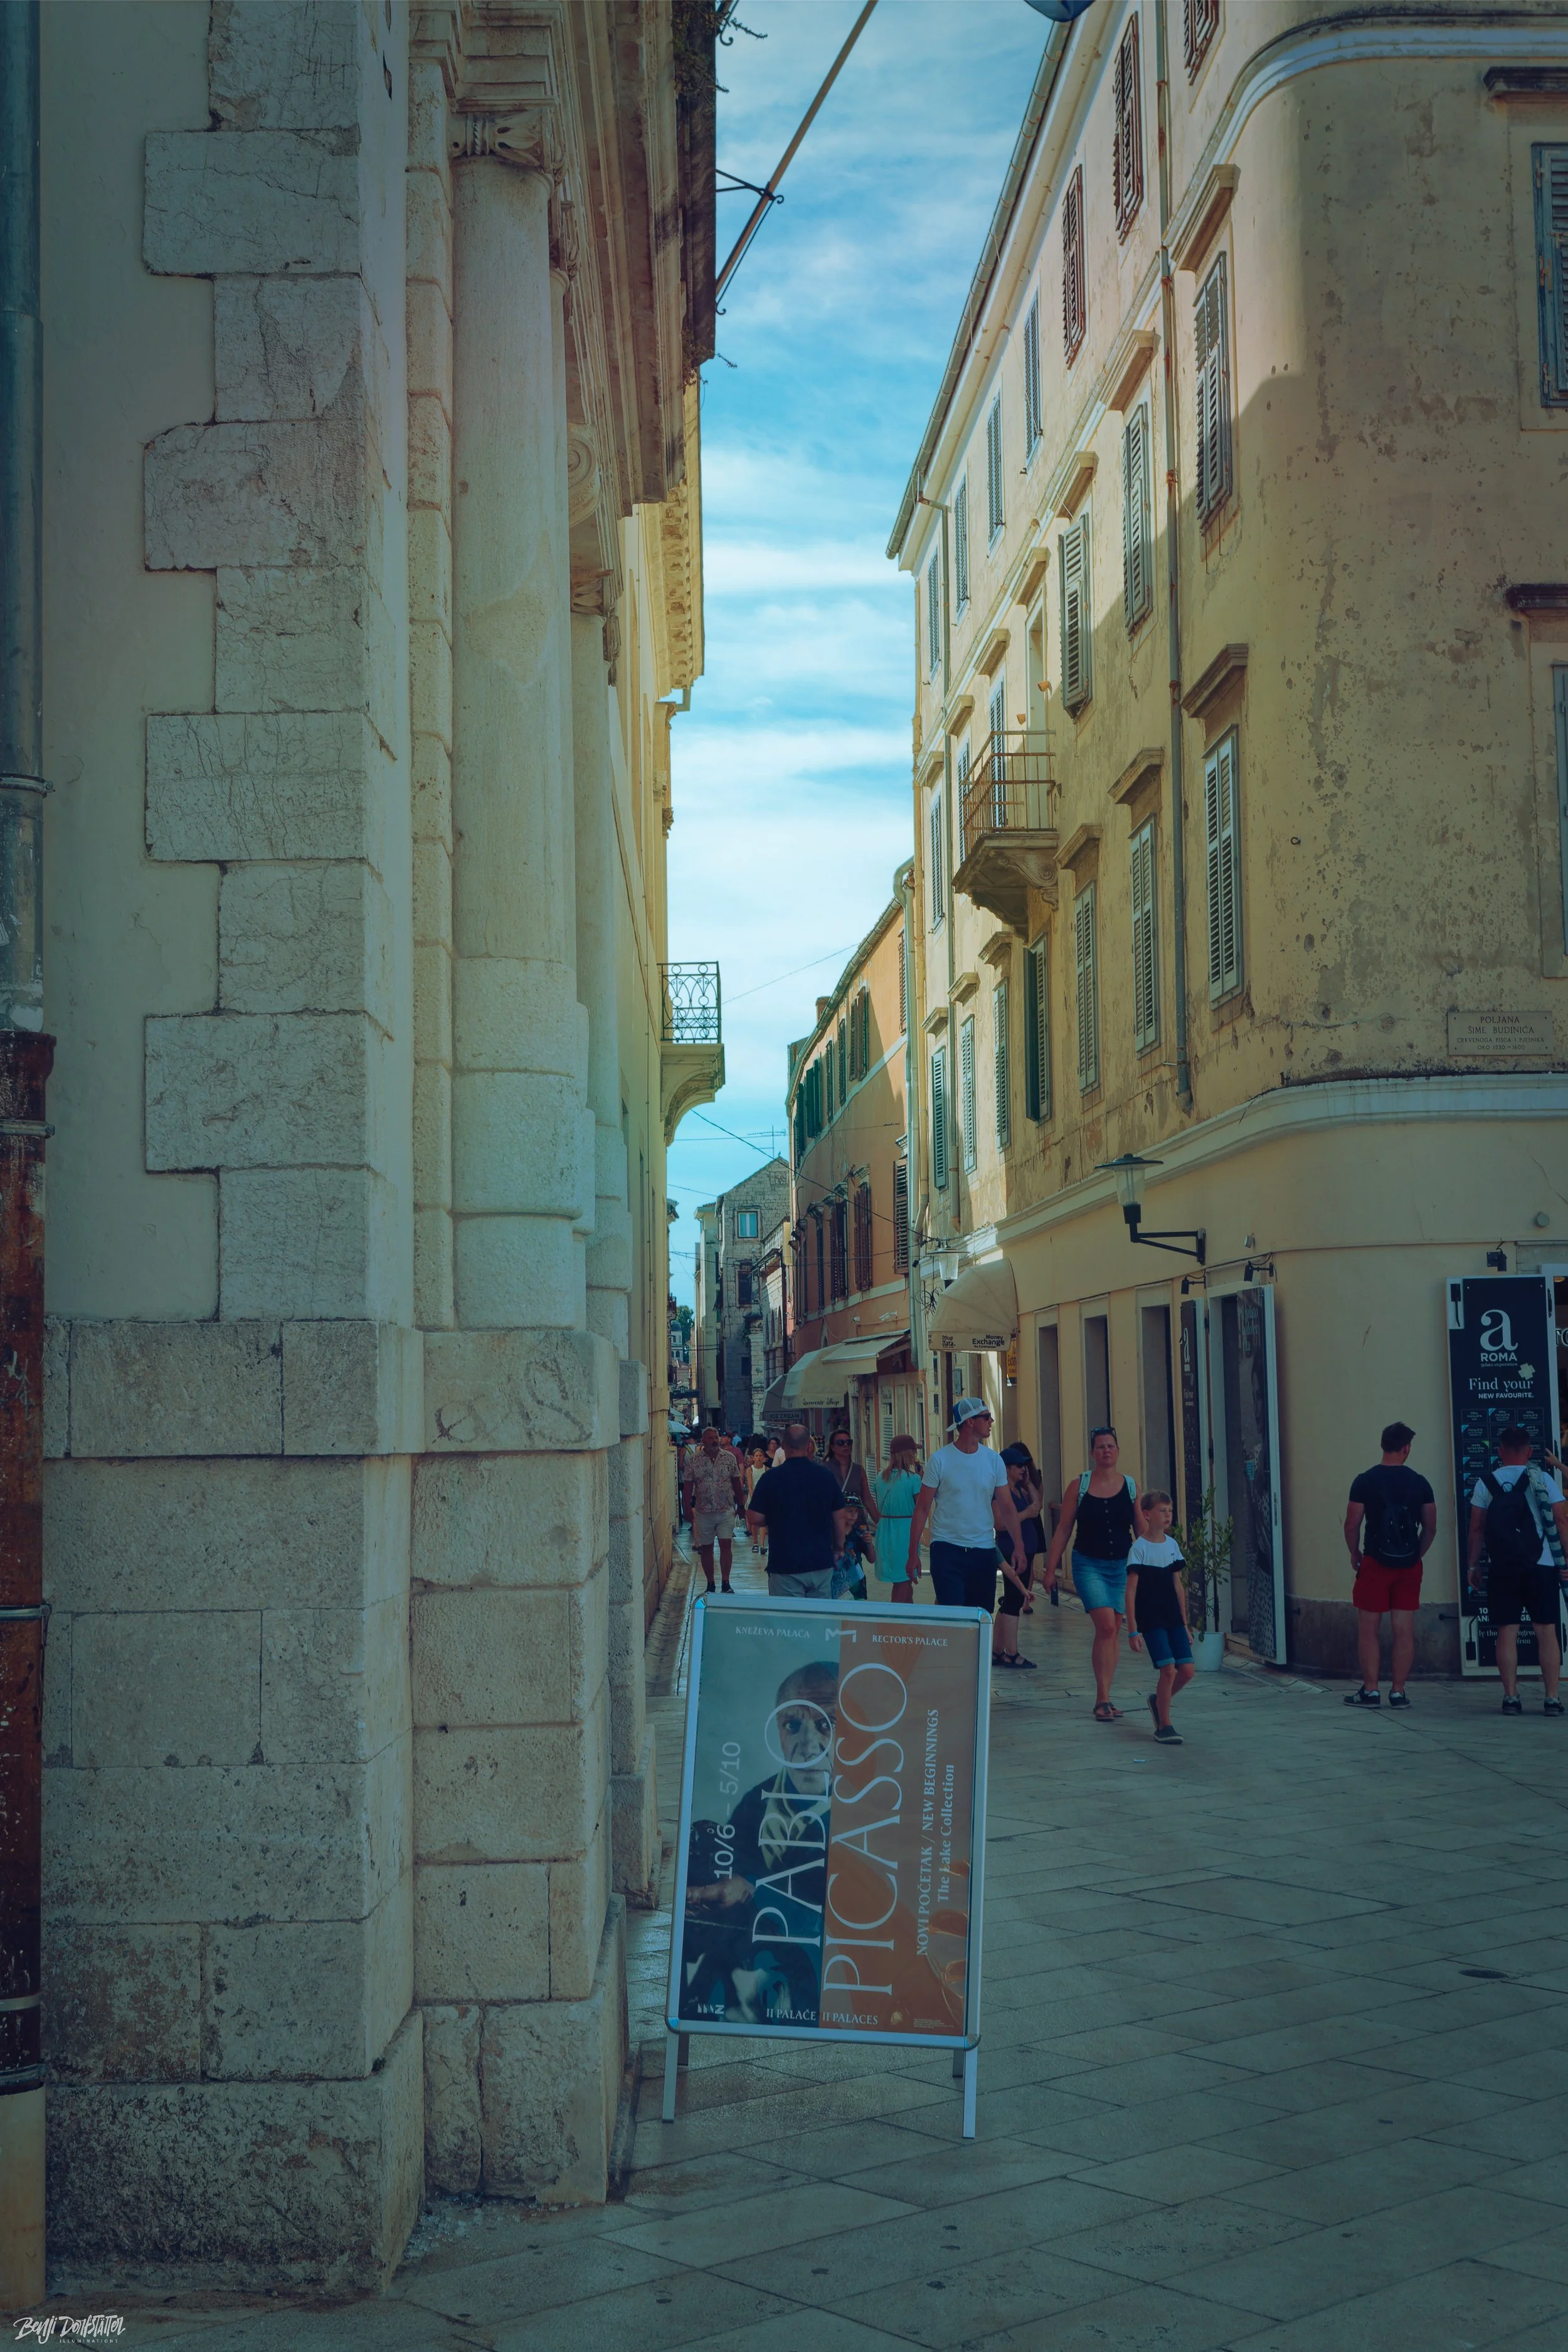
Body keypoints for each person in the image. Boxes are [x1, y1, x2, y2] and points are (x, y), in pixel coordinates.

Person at [679, 1658, 837, 2023]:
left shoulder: (870, 1809)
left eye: (827, 1724)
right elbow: (734, 1862)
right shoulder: (757, 1800)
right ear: (778, 1729)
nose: (808, 1745)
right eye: (793, 1725)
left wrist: (749, 1891)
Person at [903, 1399, 1029, 1651]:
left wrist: (1019, 1547)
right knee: (954, 1615)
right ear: (970, 1422)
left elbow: (1007, 1506)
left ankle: (975, 1678)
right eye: (987, 1417)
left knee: (981, 1617)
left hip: (983, 1551)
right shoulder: (940, 1460)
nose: (991, 1421)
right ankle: (954, 1671)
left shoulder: (993, 1461)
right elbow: (923, 1508)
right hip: (947, 1549)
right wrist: (913, 1552)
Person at [1042, 1426, 1145, 1722]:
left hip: (1122, 1567)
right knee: (1107, 1627)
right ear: (1092, 1453)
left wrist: (1153, 1564)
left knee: (1112, 1628)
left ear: (1118, 1450)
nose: (1106, 1451)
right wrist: (1050, 1568)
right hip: (1088, 1564)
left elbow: (1140, 1529)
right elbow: (1064, 1529)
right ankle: (1101, 1699)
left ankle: (1107, 1696)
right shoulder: (1080, 1486)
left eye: (1111, 1446)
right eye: (1100, 1447)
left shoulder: (1130, 1486)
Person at [1468, 1425, 1568, 1716]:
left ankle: (1511, 1697)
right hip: (1543, 1565)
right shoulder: (1544, 1479)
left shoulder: (1486, 1482)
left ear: (1499, 1452)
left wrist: (1473, 1565)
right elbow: (1561, 1523)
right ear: (1529, 1451)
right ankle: (1551, 1698)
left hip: (1502, 1566)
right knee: (1546, 1631)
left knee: (1507, 1631)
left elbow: (1477, 1528)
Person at [1342, 1419, 1438, 1707]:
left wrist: (1354, 1552)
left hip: (1374, 1561)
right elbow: (1432, 1526)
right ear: (1406, 1448)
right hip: (1409, 1565)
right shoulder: (1420, 1482)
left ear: (1383, 1445)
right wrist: (1417, 1554)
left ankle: (1371, 1691)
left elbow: (1351, 1524)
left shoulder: (1365, 1481)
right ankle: (1398, 1692)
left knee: (1369, 1629)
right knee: (1403, 1628)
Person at [746, 1424, 854, 1598]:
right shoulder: (825, 1476)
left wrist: (772, 1518)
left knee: (790, 1622)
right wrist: (838, 1548)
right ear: (808, 1446)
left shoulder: (771, 1478)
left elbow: (754, 1517)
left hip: (784, 1564)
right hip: (820, 1563)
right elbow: (840, 1516)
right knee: (819, 1620)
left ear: (783, 1446)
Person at [1126, 1490, 1195, 1744]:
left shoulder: (1172, 1546)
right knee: (1168, 1669)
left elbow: (1178, 1586)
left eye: (1170, 1510)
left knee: (1186, 1670)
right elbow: (1131, 1590)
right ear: (1147, 1514)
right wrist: (1132, 1629)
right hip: (1151, 1619)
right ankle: (1164, 1725)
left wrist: (1185, 1624)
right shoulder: (1139, 1549)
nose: (1168, 1515)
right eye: (1162, 1511)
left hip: (1173, 1618)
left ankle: (1158, 1701)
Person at [994, 1443, 1047, 1661]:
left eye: (1025, 1465)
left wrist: (1027, 1483)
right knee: (1014, 1601)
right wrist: (1025, 1514)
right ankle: (1012, 1653)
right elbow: (1000, 1524)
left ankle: (997, 1651)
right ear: (1006, 1468)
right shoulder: (1001, 1492)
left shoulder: (1019, 1490)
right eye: (1018, 1466)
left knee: (1010, 1601)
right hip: (1011, 1551)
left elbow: (1038, 1505)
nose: (1023, 1469)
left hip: (1025, 1551)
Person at [682, 1424, 746, 1595]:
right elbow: (687, 1486)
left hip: (725, 1509)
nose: (714, 1441)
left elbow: (736, 1483)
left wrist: (741, 1505)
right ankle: (711, 1583)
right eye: (710, 1438)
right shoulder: (694, 1461)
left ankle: (726, 1581)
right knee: (707, 1548)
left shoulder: (729, 1458)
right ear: (703, 1441)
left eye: (716, 1438)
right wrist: (686, 1508)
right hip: (704, 1511)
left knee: (726, 1545)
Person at [870, 1436, 923, 1602]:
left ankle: (906, 1619)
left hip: (885, 1531)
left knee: (902, 1583)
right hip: (905, 1533)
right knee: (904, 1583)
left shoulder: (880, 1477)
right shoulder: (913, 1480)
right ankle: (897, 1622)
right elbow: (921, 1508)